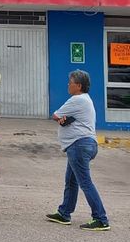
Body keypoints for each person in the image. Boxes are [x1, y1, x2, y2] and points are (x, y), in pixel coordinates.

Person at [46, 70, 110, 231]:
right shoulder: (85, 100)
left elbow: (55, 115)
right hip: (82, 145)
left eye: (70, 82)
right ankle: (64, 213)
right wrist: (64, 119)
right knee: (71, 181)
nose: (68, 85)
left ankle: (101, 218)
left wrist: (61, 118)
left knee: (85, 183)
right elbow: (66, 119)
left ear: (79, 86)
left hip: (79, 146)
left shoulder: (77, 99)